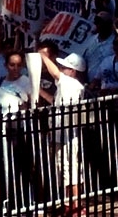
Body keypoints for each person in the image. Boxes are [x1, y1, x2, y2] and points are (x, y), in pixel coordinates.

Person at [38, 50, 87, 216]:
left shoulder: (72, 83)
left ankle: (77, 206)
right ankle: (69, 204)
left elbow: (54, 72)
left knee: (70, 170)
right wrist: (38, 91)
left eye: (65, 67)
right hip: (61, 133)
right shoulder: (68, 87)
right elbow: (55, 102)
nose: (61, 68)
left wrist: (44, 56)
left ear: (72, 71)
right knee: (64, 170)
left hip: (67, 135)